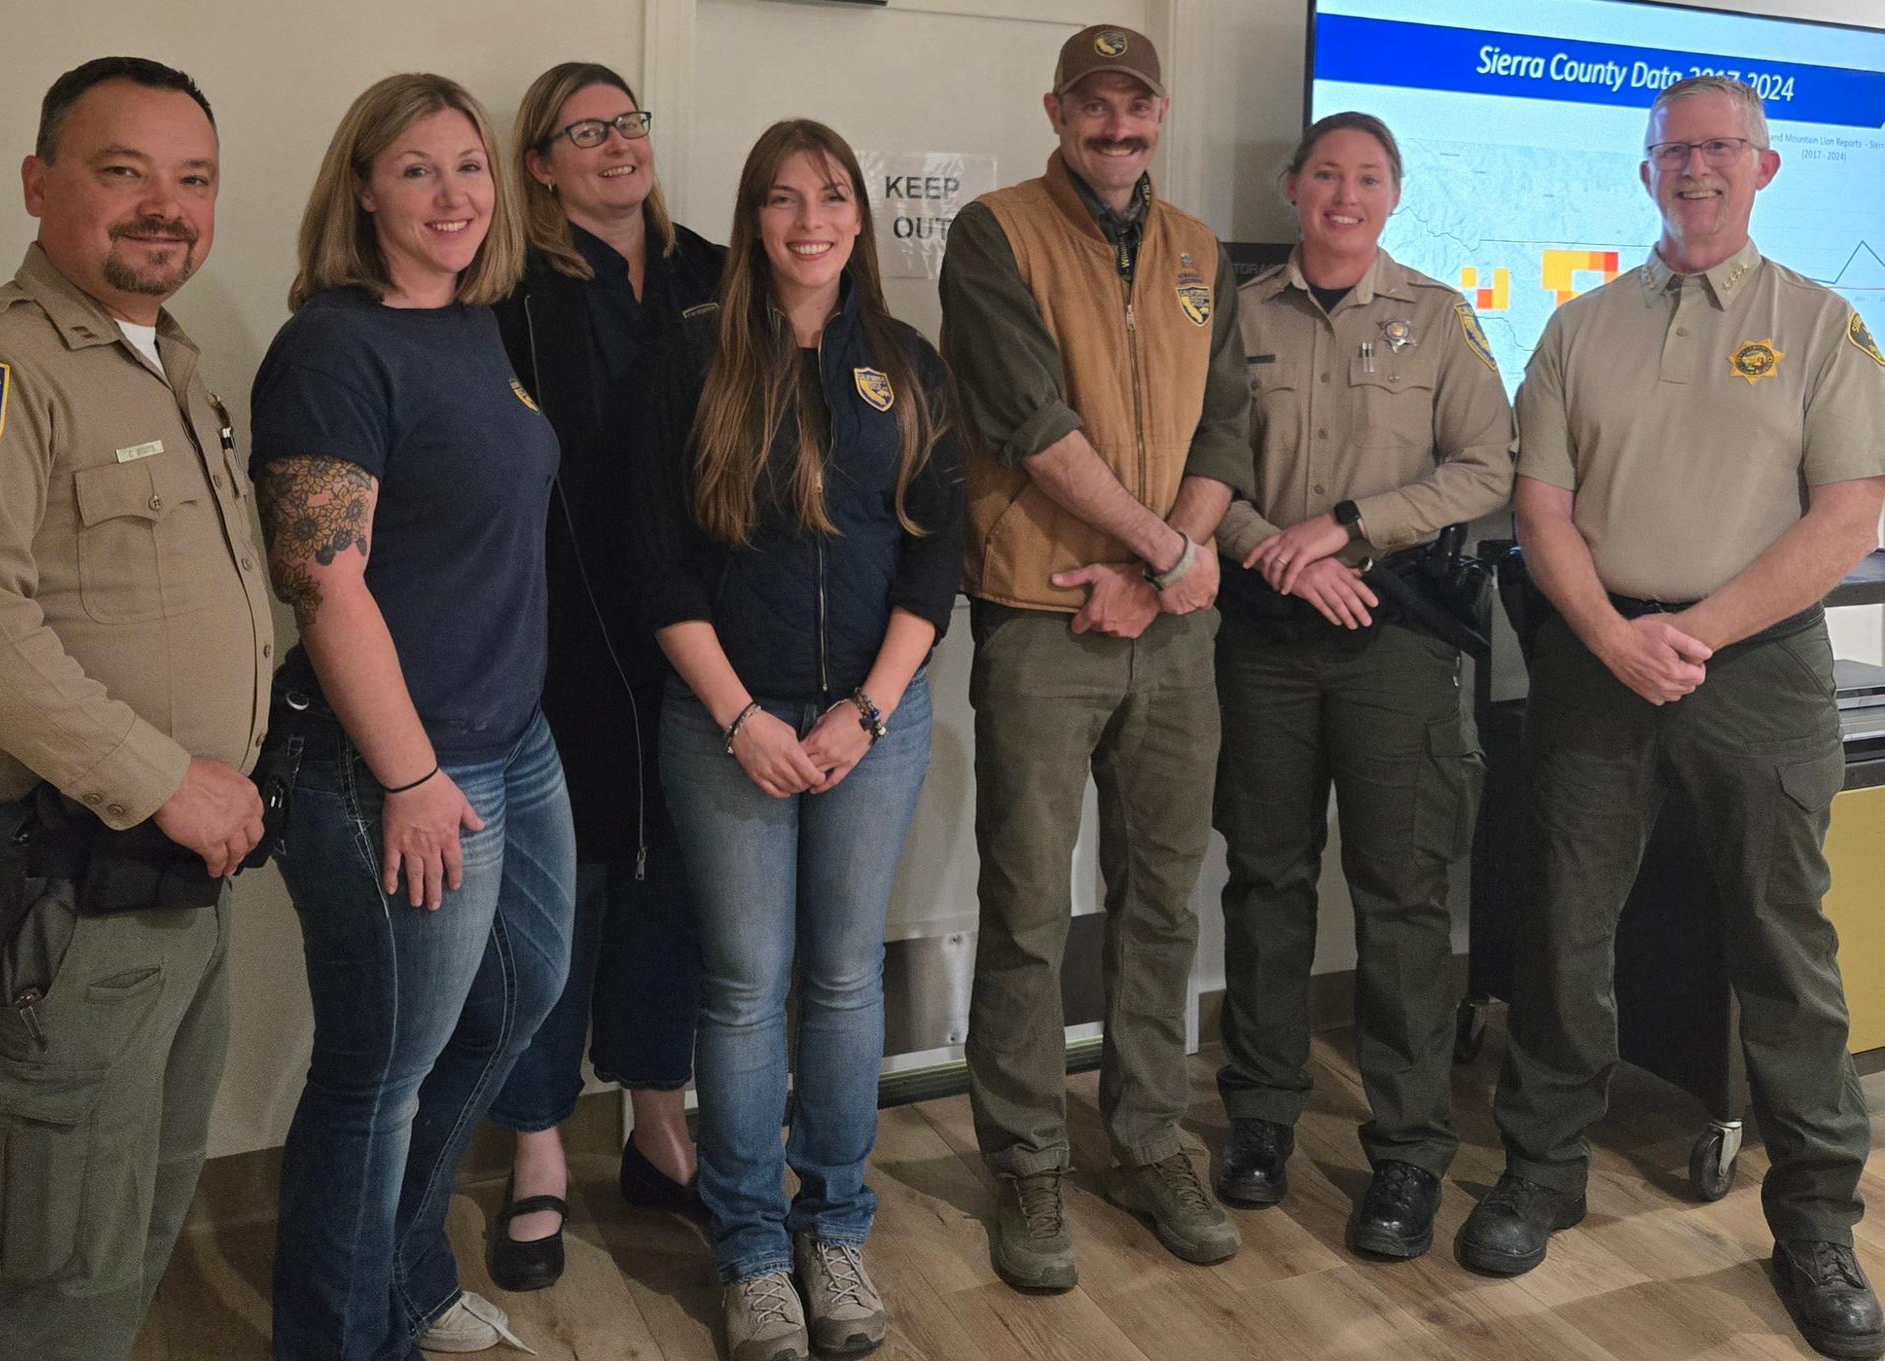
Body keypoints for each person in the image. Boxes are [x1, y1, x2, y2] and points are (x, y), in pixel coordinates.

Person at [1455, 76, 1884, 1361]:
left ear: (1761, 168)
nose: (1694, 168)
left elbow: (1844, 516)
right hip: (1597, 653)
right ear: (1644, 174)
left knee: (1782, 942)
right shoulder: (1577, 328)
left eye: (1718, 149)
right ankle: (1540, 1169)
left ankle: (1813, 1217)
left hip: (1753, 666)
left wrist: (1695, 632)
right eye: (1672, 151)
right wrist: (1609, 634)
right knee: (1567, 926)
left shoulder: (1823, 325)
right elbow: (1539, 512)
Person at [0, 56, 270, 1360]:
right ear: (40, 185)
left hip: (168, 899)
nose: (166, 204)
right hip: (51, 912)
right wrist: (173, 778)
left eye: (191, 178)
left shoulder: (168, 367)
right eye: (122, 170)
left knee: (127, 1237)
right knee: (35, 1280)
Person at [249, 73, 572, 1361]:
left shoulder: (474, 325)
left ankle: (405, 1275)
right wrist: (411, 774)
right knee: (375, 1074)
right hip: (398, 764)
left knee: (515, 998)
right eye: (417, 169)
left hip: (512, 741)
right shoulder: (335, 346)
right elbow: (321, 579)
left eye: (469, 166)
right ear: (362, 189)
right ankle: (337, 1335)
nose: (453, 193)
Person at [632, 118, 963, 1361]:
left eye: (831, 197)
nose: (808, 221)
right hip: (728, 719)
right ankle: (751, 1250)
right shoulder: (691, 359)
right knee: (743, 980)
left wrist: (864, 709)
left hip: (873, 719)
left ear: (860, 221)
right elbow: (651, 556)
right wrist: (740, 716)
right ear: (750, 218)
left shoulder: (907, 361)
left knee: (836, 978)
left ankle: (833, 1228)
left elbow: (938, 552)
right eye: (781, 199)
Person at [938, 23, 1253, 1291]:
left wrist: (1171, 558)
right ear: (1055, 107)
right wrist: (1163, 556)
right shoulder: (990, 232)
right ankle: (1024, 1161)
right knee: (1023, 907)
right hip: (1038, 613)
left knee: (1160, 898)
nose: (1115, 127)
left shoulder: (1196, 249)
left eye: (1135, 107)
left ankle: (1145, 1139)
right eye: (1093, 105)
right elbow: (1029, 422)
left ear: (1160, 113)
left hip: (1171, 631)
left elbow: (1225, 415)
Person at [1210, 111, 1511, 1258]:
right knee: (1266, 879)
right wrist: (1273, 549)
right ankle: (1259, 1119)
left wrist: (1343, 532)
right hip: (1264, 640)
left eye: (1368, 178)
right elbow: (1201, 466)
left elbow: (1489, 462)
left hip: (1396, 638)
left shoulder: (1435, 316)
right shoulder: (1233, 317)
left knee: (1399, 896)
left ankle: (1406, 1153)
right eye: (1325, 173)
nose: (1344, 193)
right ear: (1291, 187)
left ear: (1394, 197)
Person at [480, 60, 723, 1293]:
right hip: (557, 647)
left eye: (630, 121)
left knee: (673, 893)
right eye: (586, 131)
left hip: (700, 643)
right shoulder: (507, 294)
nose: (619, 145)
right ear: (538, 163)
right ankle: (536, 1150)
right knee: (552, 908)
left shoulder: (711, 276)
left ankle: (658, 1122)